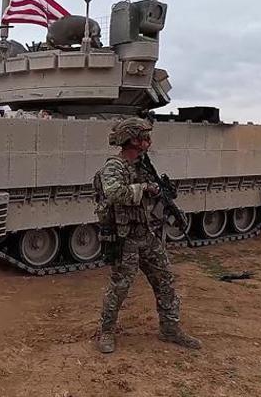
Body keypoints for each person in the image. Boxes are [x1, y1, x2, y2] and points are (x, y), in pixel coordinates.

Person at [93, 117, 201, 354]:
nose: (148, 141)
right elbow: (113, 193)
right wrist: (144, 189)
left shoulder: (143, 164)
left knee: (165, 282)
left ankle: (170, 329)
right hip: (126, 238)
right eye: (144, 137)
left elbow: (152, 192)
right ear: (132, 139)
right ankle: (107, 332)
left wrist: (165, 198)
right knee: (120, 287)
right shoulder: (114, 166)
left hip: (148, 235)